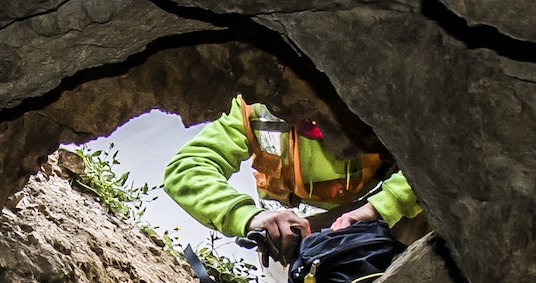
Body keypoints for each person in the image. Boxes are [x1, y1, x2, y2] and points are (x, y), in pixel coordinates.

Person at [163, 95, 421, 261]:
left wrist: (380, 208)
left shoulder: (381, 100)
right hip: (288, 242)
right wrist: (251, 217)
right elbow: (186, 169)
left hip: (381, 230)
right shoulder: (252, 108)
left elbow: (441, 160)